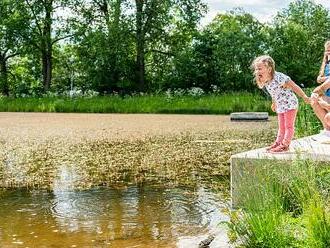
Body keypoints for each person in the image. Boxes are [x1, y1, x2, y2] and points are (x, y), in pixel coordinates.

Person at [252, 55, 310, 153]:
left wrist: (304, 97)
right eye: (256, 69)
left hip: (290, 104)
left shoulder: (279, 77)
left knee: (289, 126)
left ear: (269, 69)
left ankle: (285, 145)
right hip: (280, 105)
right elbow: (274, 93)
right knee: (281, 126)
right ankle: (278, 143)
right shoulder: (267, 81)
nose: (257, 71)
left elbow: (294, 86)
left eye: (260, 69)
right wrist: (274, 103)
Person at [310, 40, 330, 139]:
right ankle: (327, 131)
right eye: (327, 50)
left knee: (328, 113)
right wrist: (321, 78)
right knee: (314, 100)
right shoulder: (326, 64)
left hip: (326, 89)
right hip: (327, 92)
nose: (328, 52)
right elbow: (320, 78)